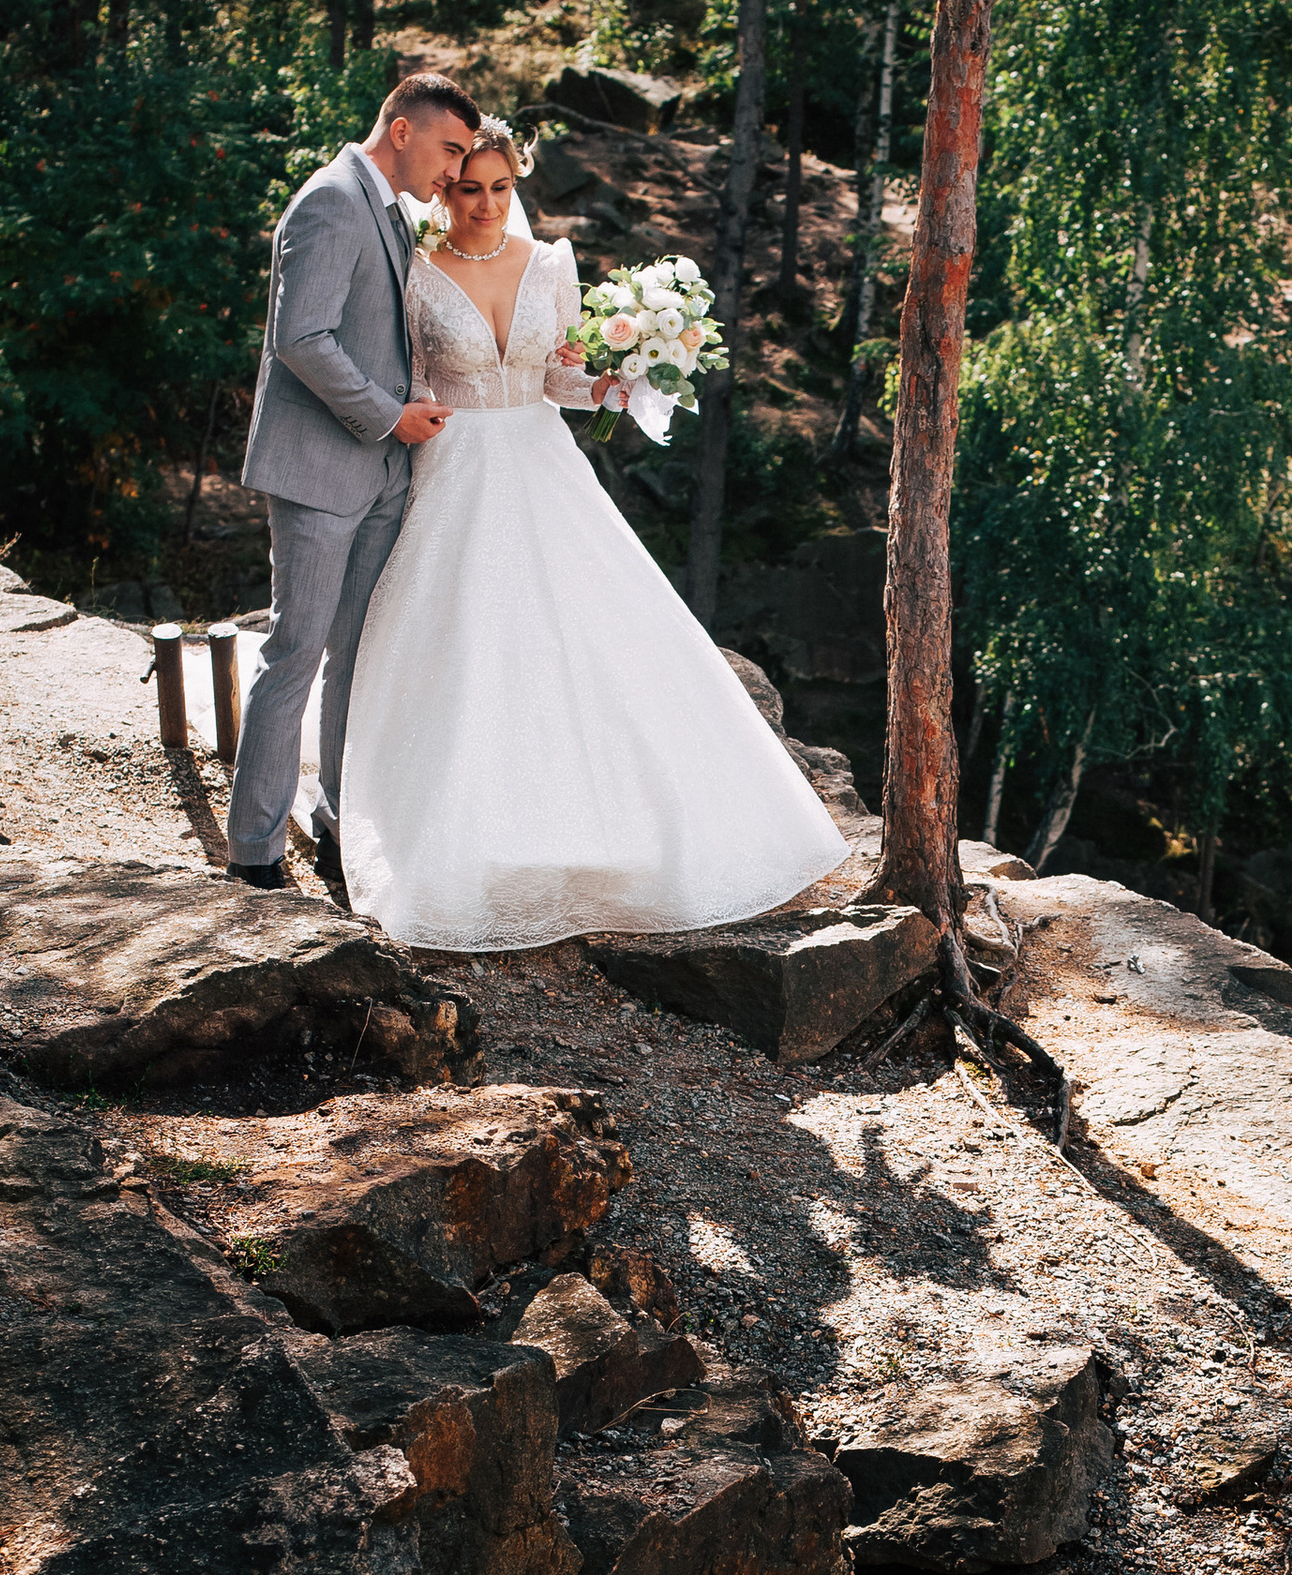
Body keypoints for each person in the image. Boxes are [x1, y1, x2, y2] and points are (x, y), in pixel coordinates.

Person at [335, 120, 846, 950]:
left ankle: (616, 832)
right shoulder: (416, 273)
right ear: (446, 189)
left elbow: (559, 377)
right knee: (466, 643)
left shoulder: (552, 264)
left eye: (501, 188)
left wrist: (621, 379)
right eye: (470, 188)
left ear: (518, 185)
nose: (488, 205)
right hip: (455, 465)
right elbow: (410, 381)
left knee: (586, 635)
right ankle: (466, 840)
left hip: (542, 462)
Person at [225, 72, 479, 889]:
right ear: (402, 131)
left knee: (356, 661)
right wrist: (388, 415)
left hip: (382, 472)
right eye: (448, 150)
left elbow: (382, 332)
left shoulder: (392, 214)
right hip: (319, 468)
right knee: (295, 650)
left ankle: (336, 823)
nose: (452, 172)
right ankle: (255, 853)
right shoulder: (330, 200)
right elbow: (302, 337)